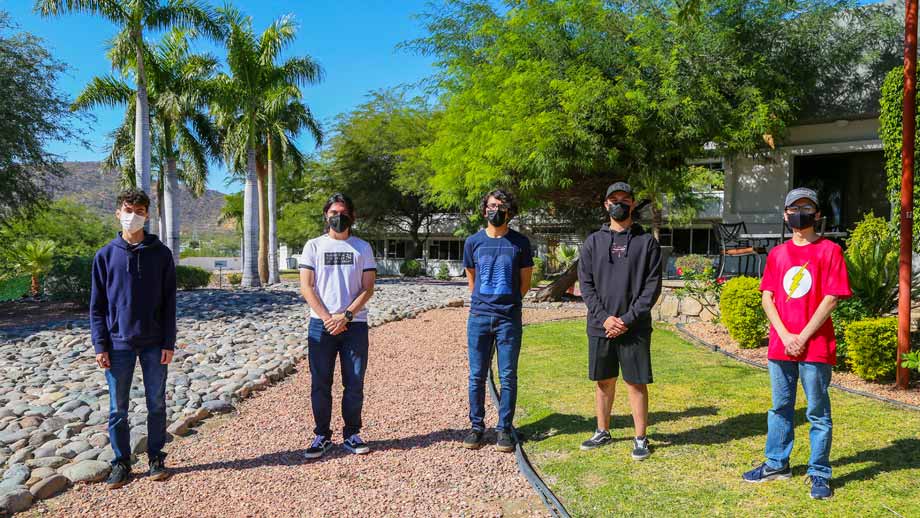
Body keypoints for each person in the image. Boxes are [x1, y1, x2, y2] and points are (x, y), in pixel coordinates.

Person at [742, 187, 850, 500]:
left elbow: (831, 299)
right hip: (781, 346)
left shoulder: (830, 251)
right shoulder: (778, 254)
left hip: (815, 346)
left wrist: (802, 336)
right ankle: (776, 464)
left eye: (806, 208)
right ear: (785, 214)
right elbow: (767, 297)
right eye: (794, 208)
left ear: (817, 214)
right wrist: (786, 336)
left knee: (817, 412)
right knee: (780, 408)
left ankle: (819, 472)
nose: (799, 213)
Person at [90, 189, 176, 488]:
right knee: (118, 408)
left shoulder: (162, 254)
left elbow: (169, 303)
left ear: (147, 214)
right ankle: (121, 463)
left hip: (154, 343)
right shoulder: (104, 255)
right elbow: (97, 306)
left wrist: (168, 342)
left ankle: (155, 458)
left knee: (156, 403)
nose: (133, 215)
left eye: (139, 210)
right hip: (117, 345)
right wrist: (100, 344)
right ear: (118, 212)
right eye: (128, 209)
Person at [577, 181, 661, 460]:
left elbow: (651, 287)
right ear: (605, 205)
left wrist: (626, 319)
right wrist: (605, 319)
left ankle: (640, 438)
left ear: (633, 204)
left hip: (634, 327)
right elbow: (586, 285)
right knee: (604, 381)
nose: (619, 204)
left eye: (625, 199)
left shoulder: (646, 242)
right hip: (601, 326)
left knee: (636, 383)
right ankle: (602, 430)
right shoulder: (593, 242)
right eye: (614, 199)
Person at [299, 193, 376, 459]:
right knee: (320, 382)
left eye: (343, 213)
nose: (338, 217)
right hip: (321, 325)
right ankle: (321, 435)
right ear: (326, 215)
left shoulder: (362, 247)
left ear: (351, 216)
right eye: (333, 213)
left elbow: (368, 288)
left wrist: (346, 316)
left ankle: (352, 433)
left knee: (354, 381)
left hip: (354, 325)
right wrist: (327, 317)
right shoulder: (313, 246)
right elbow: (306, 287)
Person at [461, 189, 533, 452]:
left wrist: (509, 302)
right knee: (477, 375)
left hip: (508, 319)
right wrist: (483, 301)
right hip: (479, 316)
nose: (496, 210)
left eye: (501, 206)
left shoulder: (520, 243)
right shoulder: (473, 242)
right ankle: (476, 427)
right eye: (491, 206)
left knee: (507, 375)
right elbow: (472, 277)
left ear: (509, 212)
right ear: (484, 211)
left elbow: (525, 283)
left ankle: (504, 428)